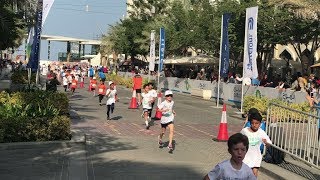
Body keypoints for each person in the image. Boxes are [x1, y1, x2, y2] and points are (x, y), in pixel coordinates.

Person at [240, 112, 272, 177]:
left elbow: (269, 144)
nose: (254, 125)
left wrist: (266, 143)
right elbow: (238, 139)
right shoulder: (245, 131)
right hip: (246, 157)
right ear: (250, 123)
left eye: (256, 123)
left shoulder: (261, 132)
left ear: (260, 124)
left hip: (256, 157)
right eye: (252, 123)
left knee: (254, 175)